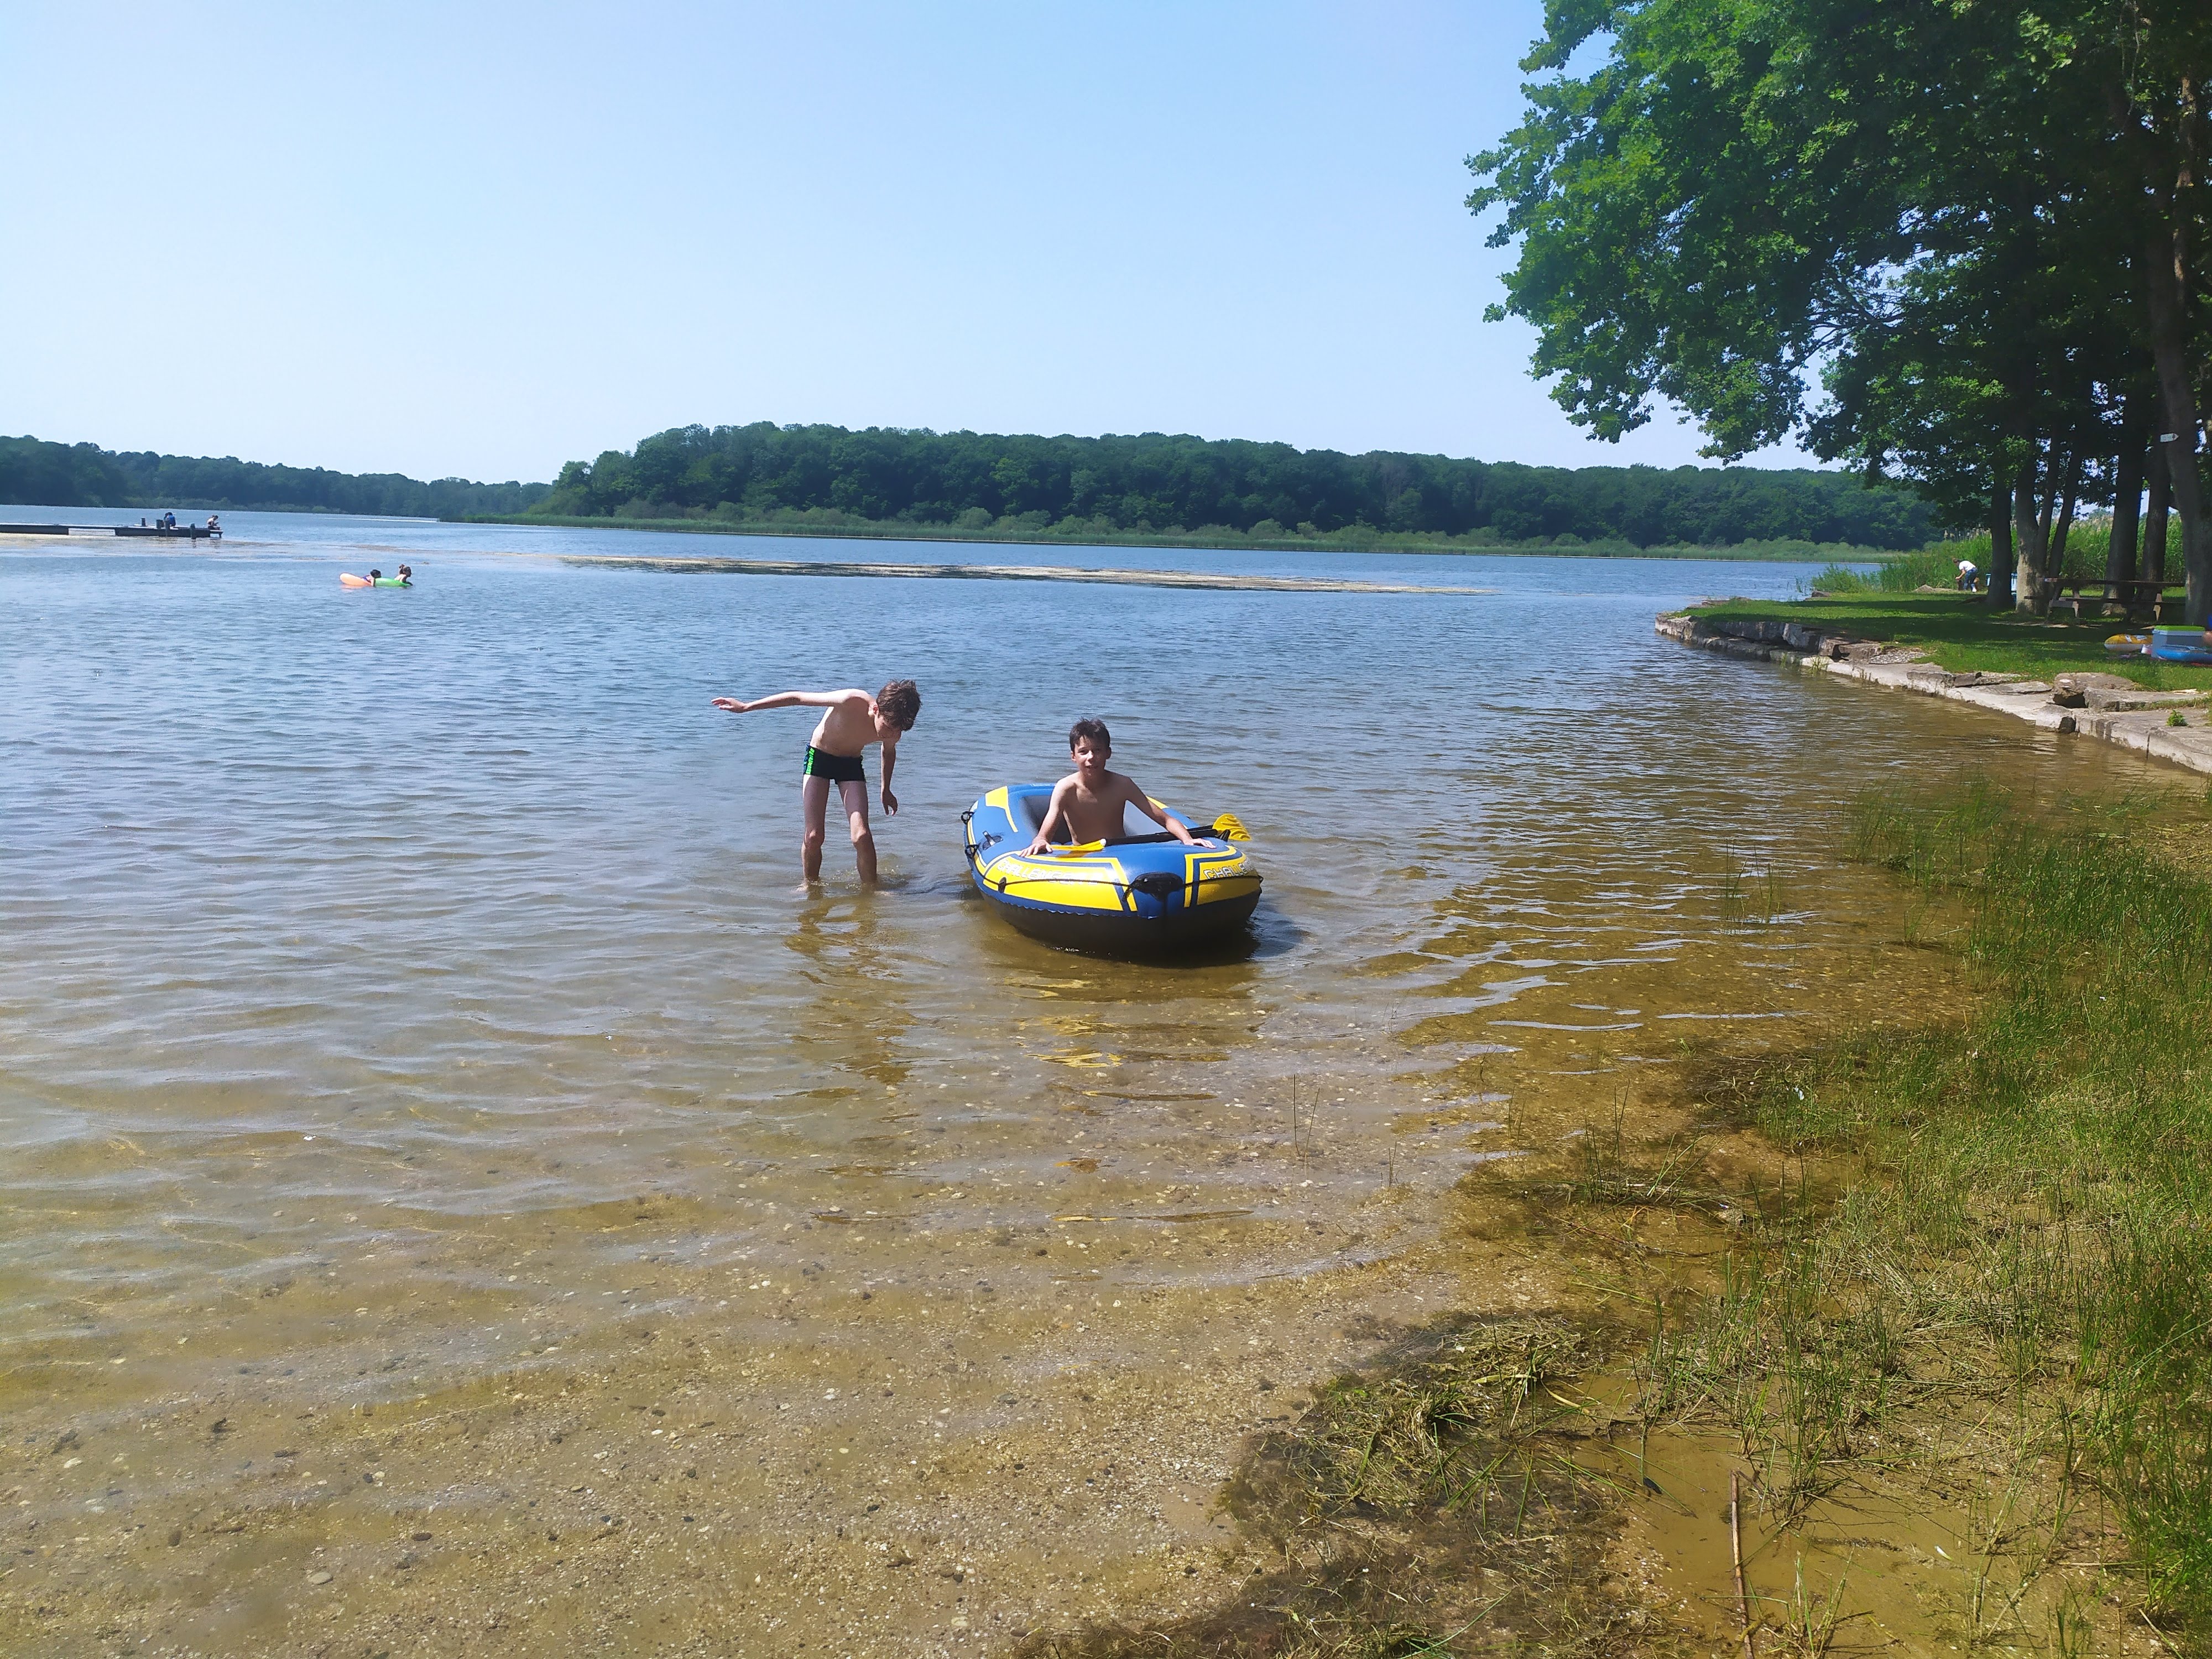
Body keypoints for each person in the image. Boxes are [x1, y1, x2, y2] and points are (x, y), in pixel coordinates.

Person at [712, 679, 921, 885]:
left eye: (899, 730)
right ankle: (810, 887)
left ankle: (871, 891)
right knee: (814, 836)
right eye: (889, 727)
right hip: (819, 758)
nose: (893, 734)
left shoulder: (895, 727)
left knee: (862, 836)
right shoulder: (851, 701)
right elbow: (796, 698)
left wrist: (886, 788)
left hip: (850, 764)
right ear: (876, 709)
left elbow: (888, 751)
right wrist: (746, 707)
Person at [1026, 718, 1199, 854]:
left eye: (1097, 750)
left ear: (1108, 753)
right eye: (1083, 752)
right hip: (1084, 855)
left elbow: (1165, 819)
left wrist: (1187, 839)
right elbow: (1046, 831)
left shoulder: (1123, 785)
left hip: (1119, 853)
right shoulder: (1066, 788)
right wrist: (1041, 841)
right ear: (1074, 756)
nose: (1091, 757)